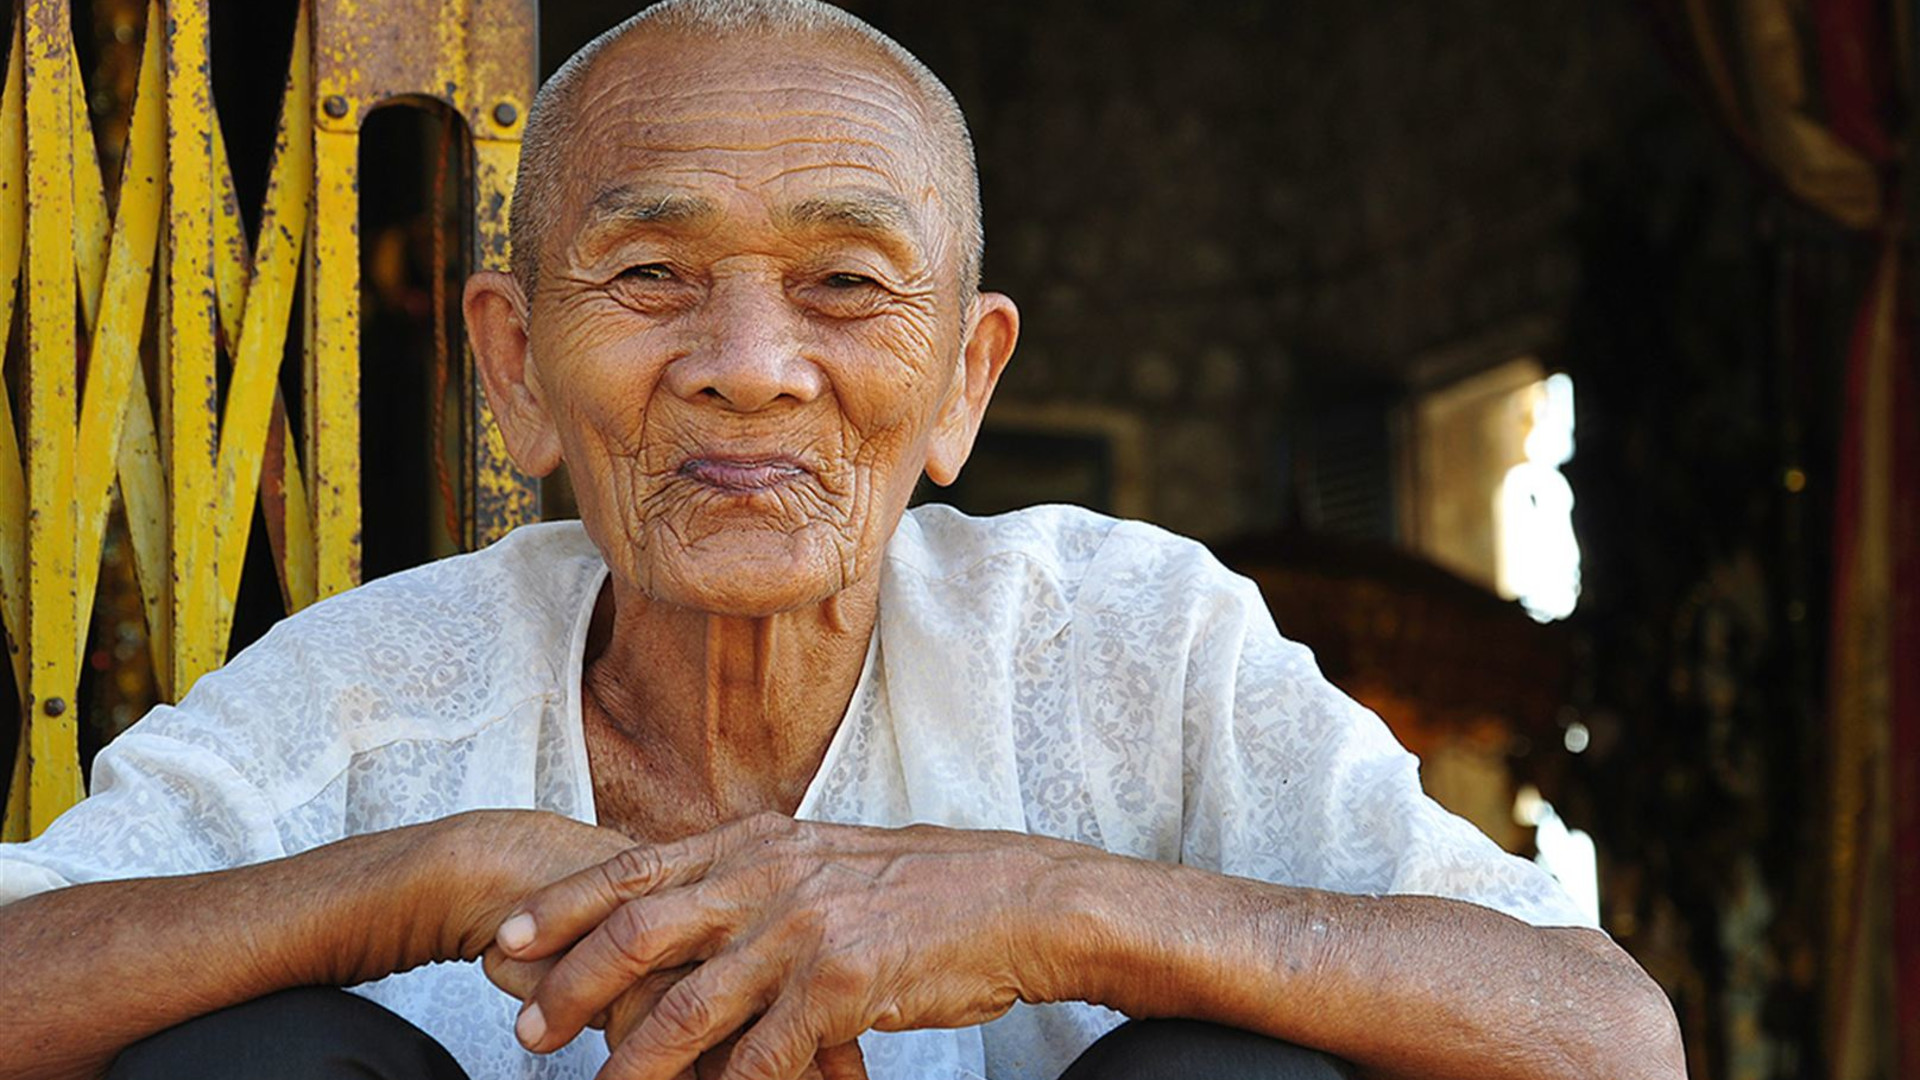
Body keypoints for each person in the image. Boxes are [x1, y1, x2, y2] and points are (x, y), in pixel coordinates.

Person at [0, 2, 1685, 1078]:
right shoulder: (389, 683)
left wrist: (1052, 909)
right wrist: (413, 888)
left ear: (964, 383)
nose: (748, 362)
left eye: (845, 286)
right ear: (515, 368)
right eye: (653, 277)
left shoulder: (1122, 642)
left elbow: (1609, 1039)